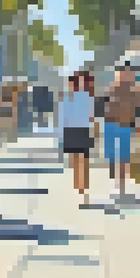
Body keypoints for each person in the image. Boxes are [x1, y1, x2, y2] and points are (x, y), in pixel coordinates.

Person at [101, 63, 140, 201]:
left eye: (128, 72)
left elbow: (139, 108)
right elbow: (104, 105)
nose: (126, 74)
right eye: (123, 72)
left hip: (126, 125)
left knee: (124, 158)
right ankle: (117, 184)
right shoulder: (112, 88)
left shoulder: (136, 90)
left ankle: (121, 187)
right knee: (113, 157)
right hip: (111, 125)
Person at [59, 70, 98, 208]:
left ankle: (80, 185)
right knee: (82, 158)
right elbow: (92, 116)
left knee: (78, 158)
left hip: (75, 129)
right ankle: (82, 185)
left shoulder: (69, 97)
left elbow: (63, 118)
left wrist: (61, 135)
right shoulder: (86, 97)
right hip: (81, 129)